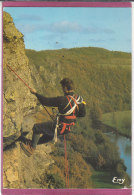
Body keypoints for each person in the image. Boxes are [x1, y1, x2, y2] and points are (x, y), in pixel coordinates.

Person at [20, 78, 86, 157]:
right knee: (49, 135)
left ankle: (31, 148)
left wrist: (35, 93)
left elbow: (46, 101)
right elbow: (82, 114)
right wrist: (67, 116)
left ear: (65, 87)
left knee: (37, 127)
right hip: (68, 128)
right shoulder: (79, 100)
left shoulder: (63, 100)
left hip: (59, 126)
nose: (62, 89)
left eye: (62, 87)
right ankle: (32, 143)